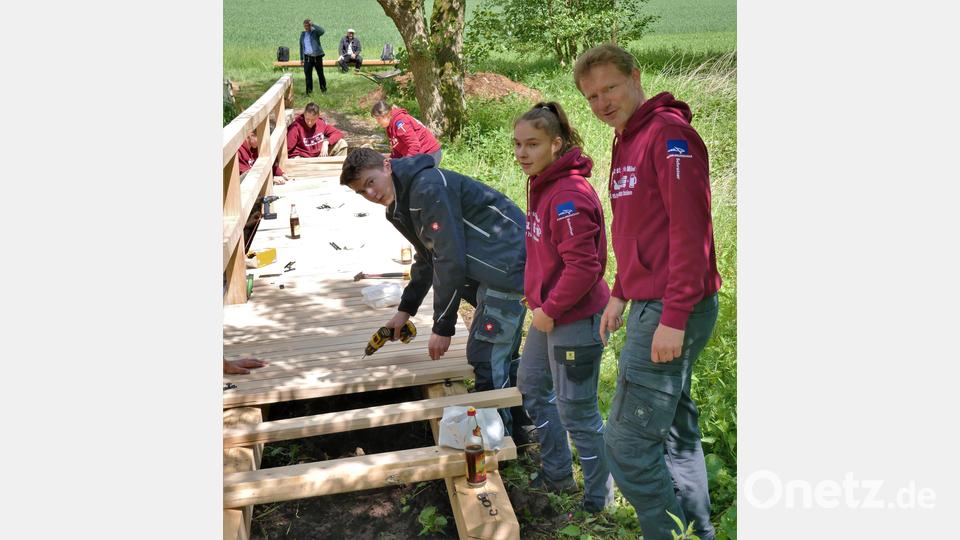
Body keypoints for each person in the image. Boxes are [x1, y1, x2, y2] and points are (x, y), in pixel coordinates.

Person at [574, 44, 722, 540]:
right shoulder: (625, 138)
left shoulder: (668, 136)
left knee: (628, 446)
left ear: (636, 76)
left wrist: (674, 316)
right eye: (591, 96)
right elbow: (638, 228)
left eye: (610, 88)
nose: (602, 102)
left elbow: (689, 232)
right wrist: (620, 290)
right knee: (677, 435)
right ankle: (698, 532)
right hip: (649, 299)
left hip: (671, 306)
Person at [339, 148, 528, 435]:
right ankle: (524, 426)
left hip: (508, 266)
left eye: (370, 182)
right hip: (493, 269)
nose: (370, 193)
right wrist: (404, 311)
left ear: (386, 166)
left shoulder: (428, 187)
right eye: (361, 191)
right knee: (500, 352)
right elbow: (427, 258)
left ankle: (501, 442)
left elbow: (448, 258)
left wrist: (443, 326)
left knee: (485, 356)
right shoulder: (398, 206)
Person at [513, 102, 615, 513]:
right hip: (548, 313)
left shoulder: (568, 194)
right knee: (533, 385)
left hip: (574, 318)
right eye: (517, 144)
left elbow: (585, 266)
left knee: (578, 412)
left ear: (556, 144)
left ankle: (598, 501)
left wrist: (550, 307)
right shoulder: (542, 182)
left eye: (532, 144)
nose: (522, 153)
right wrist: (538, 297)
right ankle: (557, 472)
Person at [371, 100, 442, 166]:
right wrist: (393, 160)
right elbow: (396, 146)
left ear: (386, 115)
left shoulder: (401, 122)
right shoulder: (389, 125)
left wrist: (405, 164)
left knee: (421, 178)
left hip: (430, 153)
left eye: (378, 119)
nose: (377, 122)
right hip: (419, 154)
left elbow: (414, 145)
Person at [299, 19, 327, 94]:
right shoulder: (303, 34)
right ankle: (309, 93)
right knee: (308, 76)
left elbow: (322, 31)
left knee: (320, 74)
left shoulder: (315, 33)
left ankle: (324, 91)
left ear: (310, 25)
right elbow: (301, 47)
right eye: (305, 26)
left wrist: (313, 24)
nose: (306, 27)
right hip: (307, 58)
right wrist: (301, 58)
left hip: (317, 57)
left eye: (308, 25)